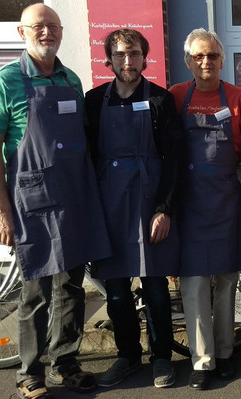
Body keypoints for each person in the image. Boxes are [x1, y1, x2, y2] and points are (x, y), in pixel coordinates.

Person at [0, 3, 111, 398]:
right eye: (39, 26)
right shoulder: (4, 81)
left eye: (53, 26)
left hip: (73, 197)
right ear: (22, 32)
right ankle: (29, 372)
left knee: (70, 287)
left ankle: (65, 365)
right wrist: (2, 211)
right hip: (31, 199)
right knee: (36, 291)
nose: (47, 33)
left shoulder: (70, 80)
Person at [85, 28, 182, 389]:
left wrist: (165, 208)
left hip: (148, 200)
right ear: (109, 58)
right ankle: (127, 356)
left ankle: (161, 358)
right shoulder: (94, 101)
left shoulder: (160, 99)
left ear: (145, 57)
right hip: (108, 203)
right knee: (116, 289)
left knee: (155, 285)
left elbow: (173, 157)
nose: (129, 61)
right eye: (121, 54)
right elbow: (87, 157)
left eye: (135, 54)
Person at [168, 28, 241, 390]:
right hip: (190, 204)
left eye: (213, 56)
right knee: (193, 285)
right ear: (188, 61)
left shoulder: (240, 98)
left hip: (226, 201)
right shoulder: (175, 96)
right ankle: (201, 360)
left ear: (222, 60)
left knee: (225, 283)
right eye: (199, 56)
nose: (206, 62)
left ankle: (224, 354)